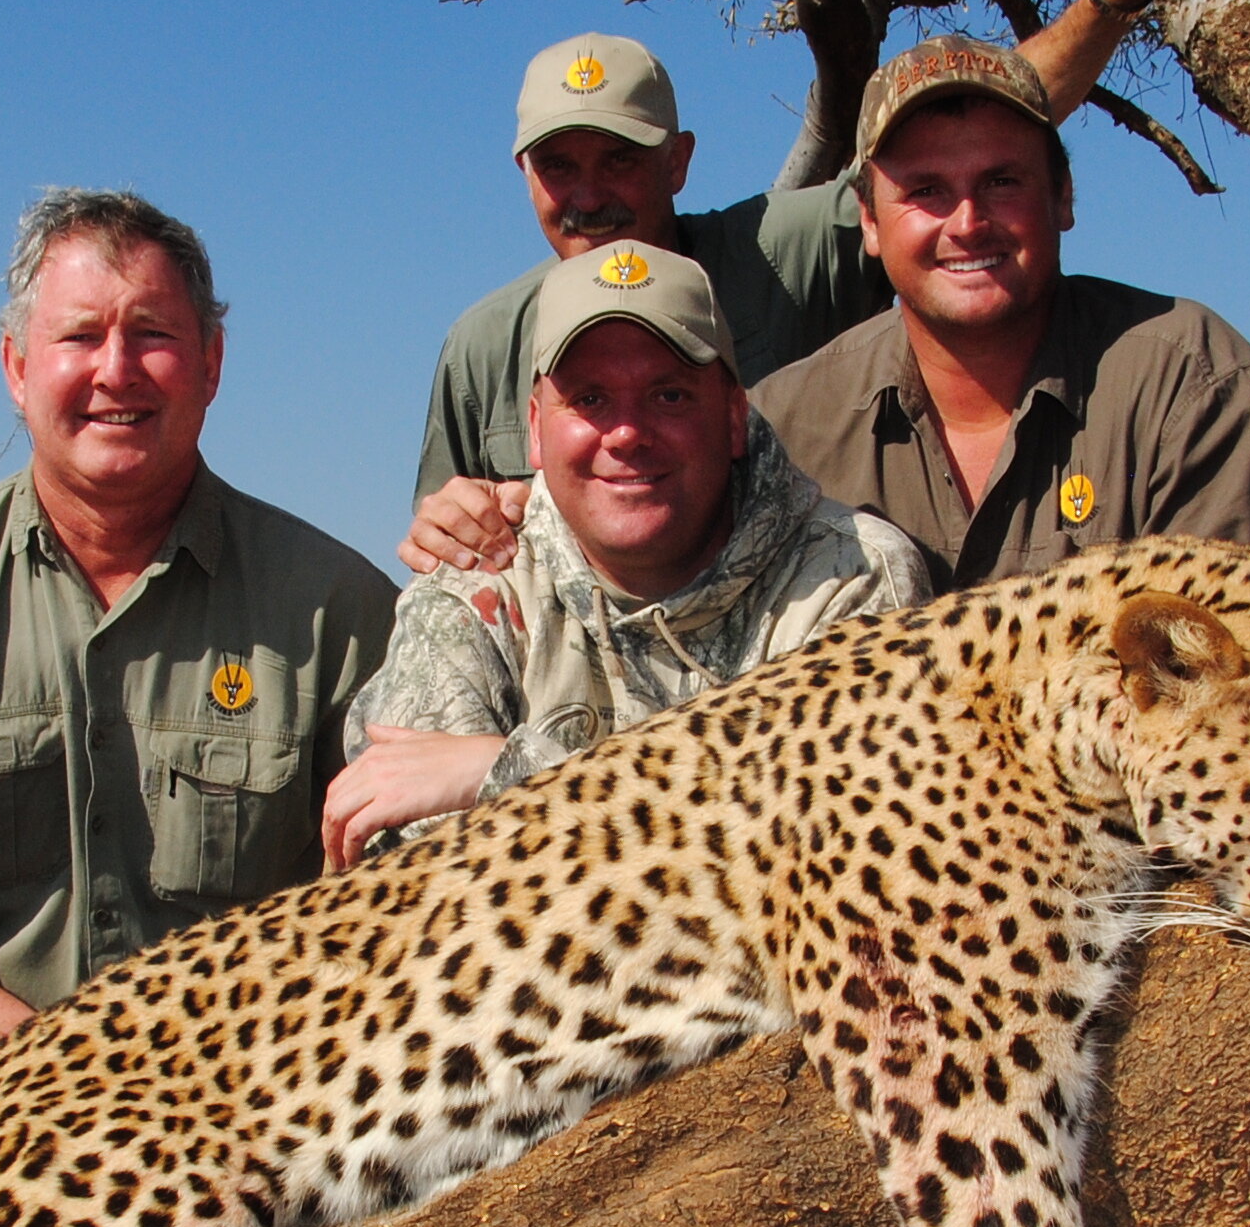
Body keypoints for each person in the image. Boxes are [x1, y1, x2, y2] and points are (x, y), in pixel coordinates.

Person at [0, 189, 396, 1222]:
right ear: (14, 367)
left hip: (240, 1078)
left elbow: (393, 903)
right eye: (79, 336)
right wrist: (20, 1049)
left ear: (213, 362)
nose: (115, 372)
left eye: (153, 336)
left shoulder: (339, 607)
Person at [403, 0, 1219, 574]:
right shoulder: (480, 347)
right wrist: (449, 530)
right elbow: (447, 542)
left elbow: (947, 154)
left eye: (620, 159)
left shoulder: (781, 251)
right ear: (522, 171)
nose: (588, 194)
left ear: (679, 162)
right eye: (558, 166)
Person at [325, 241, 926, 863]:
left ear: (731, 416)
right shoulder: (471, 589)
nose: (627, 434)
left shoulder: (854, 578)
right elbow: (423, 884)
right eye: (589, 400)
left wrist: (504, 772)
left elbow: (833, 856)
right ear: (535, 427)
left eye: (668, 395)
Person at [748, 34, 1250, 590]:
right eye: (926, 190)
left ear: (1062, 197)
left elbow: (1216, 656)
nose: (967, 223)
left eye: (1001, 182)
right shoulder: (782, 428)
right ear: (868, 221)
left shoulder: (1192, 383)